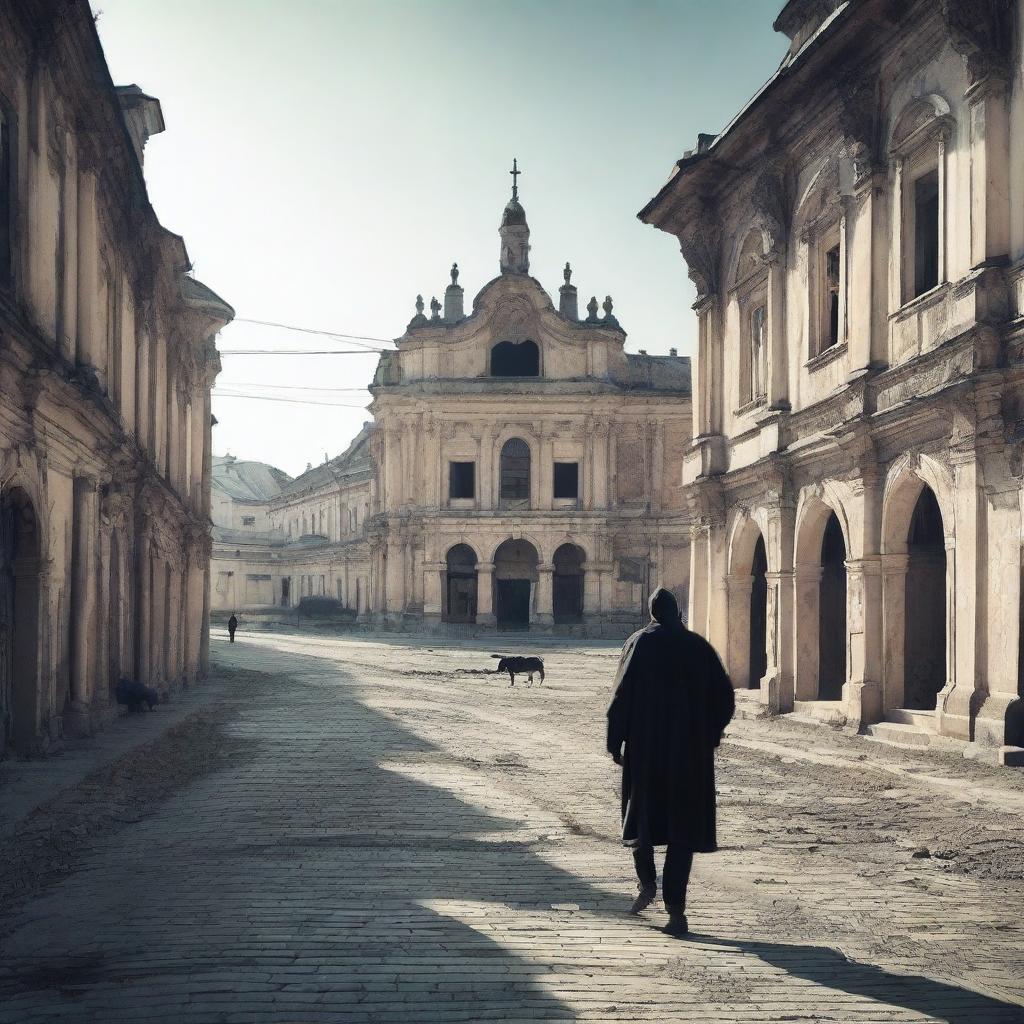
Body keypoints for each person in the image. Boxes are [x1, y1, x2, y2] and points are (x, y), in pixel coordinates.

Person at [606, 587, 734, 936]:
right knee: (683, 829)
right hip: (690, 753)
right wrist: (710, 733)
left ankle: (647, 884)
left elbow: (620, 696)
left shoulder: (639, 643)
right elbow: (725, 696)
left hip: (646, 750)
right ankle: (676, 911)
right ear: (678, 612)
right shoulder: (697, 645)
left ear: (652, 612)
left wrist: (614, 739)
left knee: (640, 820)